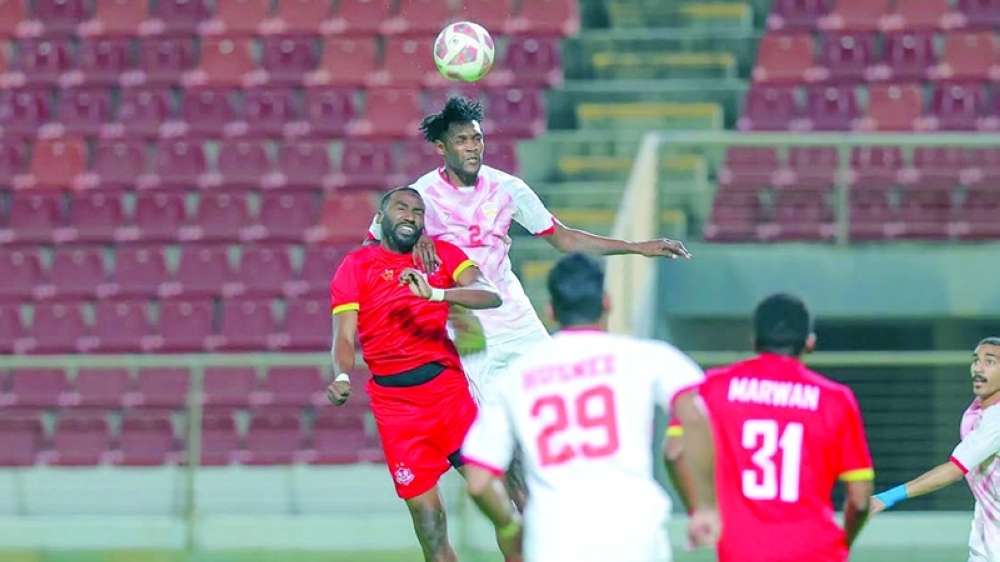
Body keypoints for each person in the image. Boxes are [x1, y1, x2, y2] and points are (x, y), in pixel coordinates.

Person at [366, 95, 692, 505]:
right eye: (463, 140)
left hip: (515, 318)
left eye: (477, 139)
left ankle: (579, 496)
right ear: (441, 148)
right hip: (466, 330)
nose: (473, 147)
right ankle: (534, 522)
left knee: (561, 400)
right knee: (506, 438)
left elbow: (564, 238)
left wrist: (636, 247)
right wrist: (415, 236)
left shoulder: (507, 188)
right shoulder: (417, 196)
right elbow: (374, 243)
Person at [459, 253, 720, 562]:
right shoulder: (648, 356)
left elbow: (478, 481)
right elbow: (693, 416)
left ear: (551, 311)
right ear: (606, 302)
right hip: (634, 535)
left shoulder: (517, 377)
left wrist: (508, 527)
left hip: (554, 541)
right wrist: (705, 505)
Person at [326, 186, 517, 562]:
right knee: (430, 527)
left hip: (449, 398)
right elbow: (344, 335)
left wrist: (436, 294)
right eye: (401, 207)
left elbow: (488, 293)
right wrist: (343, 376)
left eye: (417, 210)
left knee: (503, 502)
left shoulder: (441, 258)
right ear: (381, 219)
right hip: (397, 411)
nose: (410, 215)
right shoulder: (356, 266)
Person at [666, 293, 875, 562]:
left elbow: (675, 452)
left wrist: (702, 510)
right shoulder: (835, 399)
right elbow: (859, 500)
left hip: (740, 551)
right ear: (810, 342)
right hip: (816, 551)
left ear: (754, 340)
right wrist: (843, 544)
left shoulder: (712, 388)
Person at [871, 336, 1000, 562]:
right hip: (987, 541)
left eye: (989, 362)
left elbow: (955, 469)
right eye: (975, 360)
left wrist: (887, 498)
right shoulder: (975, 412)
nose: (978, 368)